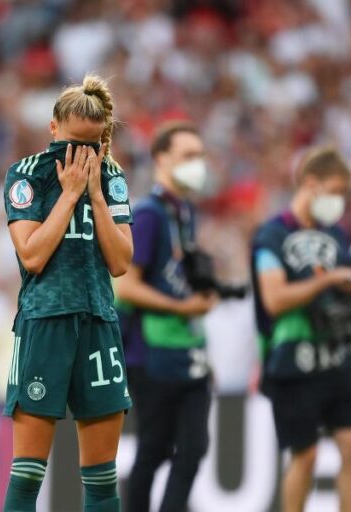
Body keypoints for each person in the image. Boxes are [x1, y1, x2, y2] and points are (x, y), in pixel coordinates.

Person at [2, 74, 133, 512]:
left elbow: (120, 262)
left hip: (98, 322)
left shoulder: (112, 178)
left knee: (101, 479)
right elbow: (33, 256)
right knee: (27, 475)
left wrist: (94, 194)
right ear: (52, 129)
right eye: (70, 144)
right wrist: (69, 193)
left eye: (91, 147)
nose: (79, 157)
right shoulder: (26, 175)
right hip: (46, 321)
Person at [250, 146, 351, 512]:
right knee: (306, 455)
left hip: (334, 355)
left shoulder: (337, 235)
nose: (338, 201)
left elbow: (347, 285)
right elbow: (274, 298)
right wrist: (328, 280)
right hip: (292, 358)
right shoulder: (272, 234)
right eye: (334, 190)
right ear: (311, 183)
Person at [114, 122, 216, 512]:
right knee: (154, 450)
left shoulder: (185, 211)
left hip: (187, 347)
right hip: (151, 351)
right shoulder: (149, 214)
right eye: (189, 156)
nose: (198, 164)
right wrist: (183, 307)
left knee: (192, 447)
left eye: (200, 156)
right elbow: (128, 286)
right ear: (161, 159)